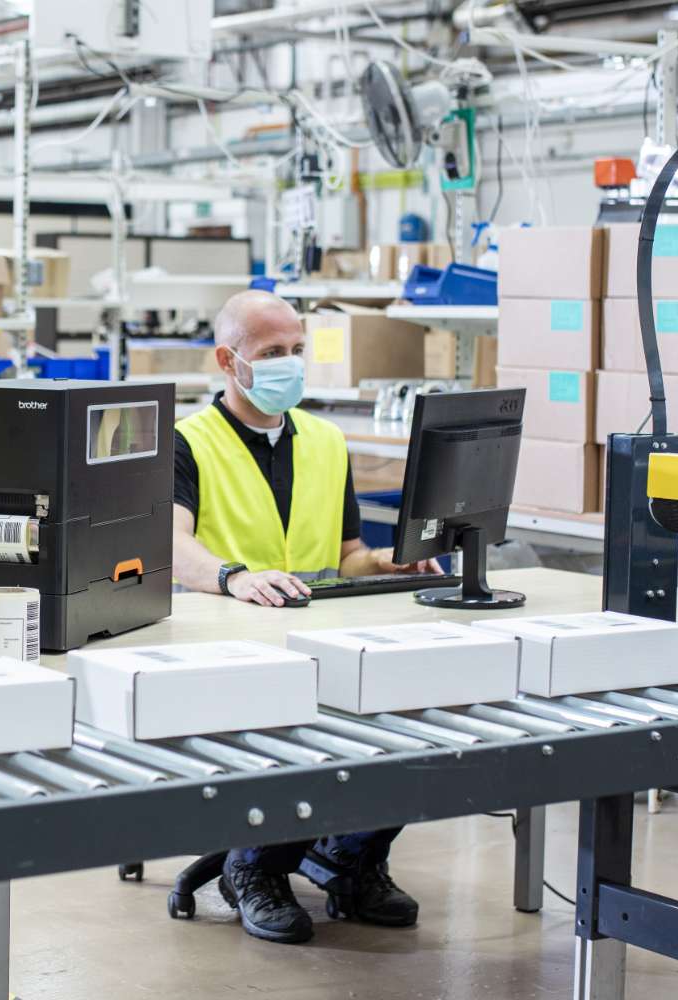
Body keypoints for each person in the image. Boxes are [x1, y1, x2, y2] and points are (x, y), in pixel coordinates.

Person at [170, 289, 440, 944]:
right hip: (228, 647)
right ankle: (253, 866)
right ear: (227, 361)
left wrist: (385, 564)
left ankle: (350, 857)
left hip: (320, 635)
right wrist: (234, 577)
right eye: (271, 353)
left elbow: (346, 553)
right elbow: (170, 544)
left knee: (420, 712)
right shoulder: (186, 443)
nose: (289, 364)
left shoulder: (325, 441)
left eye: (296, 350)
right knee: (289, 732)